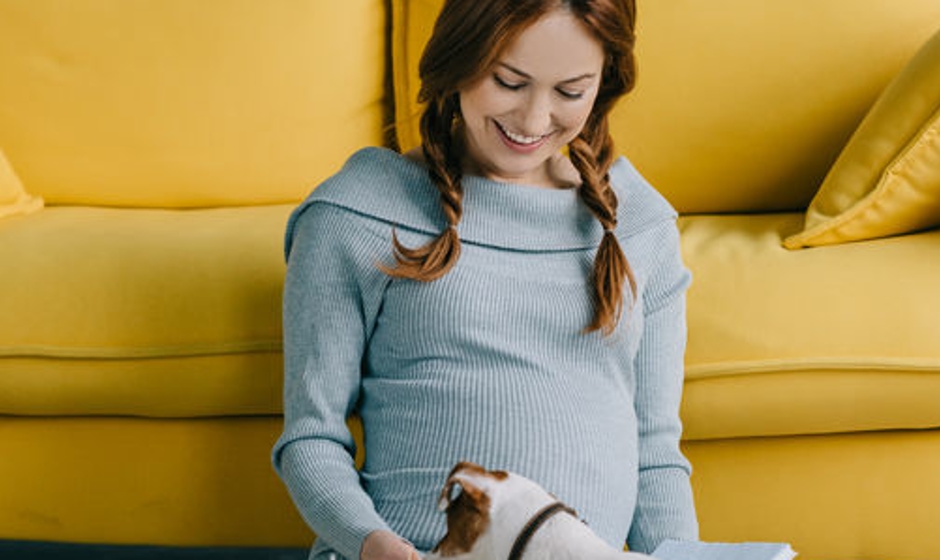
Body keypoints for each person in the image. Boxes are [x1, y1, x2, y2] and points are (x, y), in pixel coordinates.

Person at [271, 1, 699, 559]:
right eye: (509, 82)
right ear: (460, 58)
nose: (532, 120)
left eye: (570, 92)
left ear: (606, 83)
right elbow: (311, 437)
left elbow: (655, 452)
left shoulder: (640, 224)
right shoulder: (356, 212)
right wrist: (372, 545)